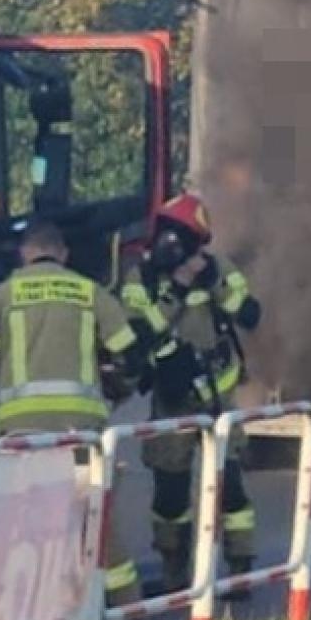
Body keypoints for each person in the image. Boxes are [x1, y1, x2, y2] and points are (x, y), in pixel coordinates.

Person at [0, 221, 147, 620]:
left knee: (19, 521)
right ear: (63, 253)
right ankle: (129, 614)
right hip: (80, 432)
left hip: (21, 433)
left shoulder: (2, 295)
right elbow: (129, 353)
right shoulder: (89, 292)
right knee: (94, 518)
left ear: (24, 253)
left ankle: (15, 617)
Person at [119, 193, 262, 595]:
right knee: (170, 490)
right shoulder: (141, 279)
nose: (174, 247)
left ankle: (240, 570)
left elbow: (249, 313)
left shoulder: (217, 268)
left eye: (184, 240)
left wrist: (213, 281)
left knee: (230, 484)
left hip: (219, 394)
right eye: (168, 236)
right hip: (171, 397)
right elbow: (138, 333)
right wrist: (177, 291)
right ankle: (173, 569)